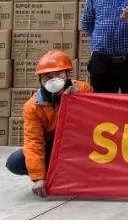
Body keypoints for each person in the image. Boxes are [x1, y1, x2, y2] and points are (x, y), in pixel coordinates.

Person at [5, 51, 91, 196]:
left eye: (58, 74)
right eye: (48, 77)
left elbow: (92, 121)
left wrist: (77, 99)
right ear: (40, 79)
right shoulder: (32, 107)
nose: (53, 80)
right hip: (52, 146)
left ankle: (77, 172)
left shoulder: (84, 90)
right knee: (16, 161)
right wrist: (38, 177)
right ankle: (53, 174)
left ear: (67, 74)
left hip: (78, 143)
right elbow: (34, 141)